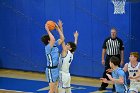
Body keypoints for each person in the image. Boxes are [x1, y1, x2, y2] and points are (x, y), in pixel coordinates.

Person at [41, 20, 64, 93]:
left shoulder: (55, 44)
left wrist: (58, 29)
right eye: (50, 39)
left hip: (56, 69)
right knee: (51, 90)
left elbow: (62, 38)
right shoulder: (48, 47)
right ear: (48, 41)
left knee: (56, 87)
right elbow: (53, 39)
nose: (52, 39)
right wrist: (47, 30)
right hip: (51, 70)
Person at [57, 20, 79, 93]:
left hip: (62, 75)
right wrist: (76, 37)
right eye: (66, 44)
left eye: (67, 45)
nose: (66, 45)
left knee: (61, 91)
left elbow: (62, 39)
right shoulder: (71, 54)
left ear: (70, 48)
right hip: (67, 75)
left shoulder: (65, 52)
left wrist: (60, 27)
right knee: (68, 91)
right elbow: (75, 45)